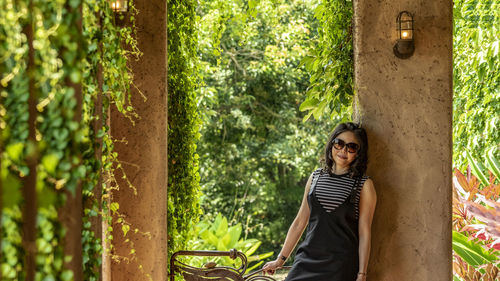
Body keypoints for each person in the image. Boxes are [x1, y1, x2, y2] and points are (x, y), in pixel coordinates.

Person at [261, 122, 377, 281]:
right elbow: (300, 221)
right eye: (339, 143)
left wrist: (362, 274)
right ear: (331, 145)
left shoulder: (364, 184)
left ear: (358, 153)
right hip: (307, 258)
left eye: (351, 147)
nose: (343, 150)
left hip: (340, 264)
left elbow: (364, 232)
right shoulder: (316, 177)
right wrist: (280, 260)